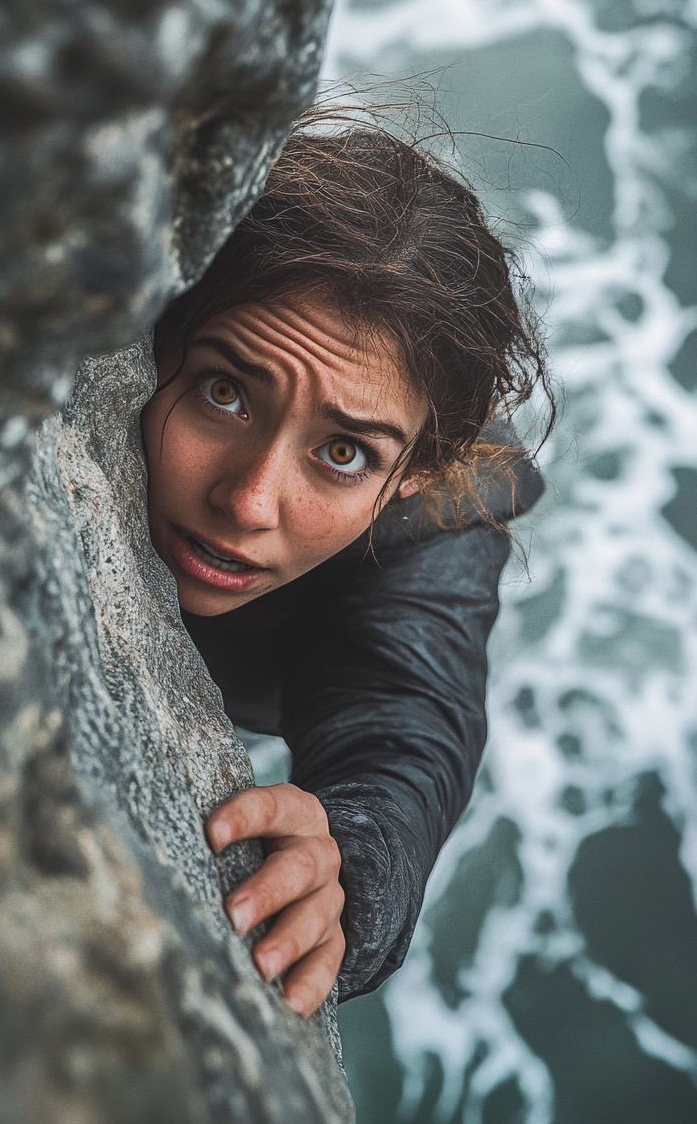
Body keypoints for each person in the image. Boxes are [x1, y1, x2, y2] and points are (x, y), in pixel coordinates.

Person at [140, 117, 551, 1019]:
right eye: (225, 390)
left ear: (416, 480)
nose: (250, 502)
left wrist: (345, 874)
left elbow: (408, 721)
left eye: (344, 457)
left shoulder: (441, 520)